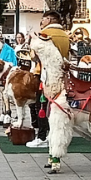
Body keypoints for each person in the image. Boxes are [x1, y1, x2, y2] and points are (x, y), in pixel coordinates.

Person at [27, 12, 71, 150]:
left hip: (45, 75)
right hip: (62, 75)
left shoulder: (43, 35)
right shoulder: (65, 35)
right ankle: (56, 134)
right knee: (57, 107)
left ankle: (42, 137)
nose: (41, 21)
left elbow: (34, 56)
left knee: (41, 106)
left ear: (50, 19)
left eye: (43, 18)